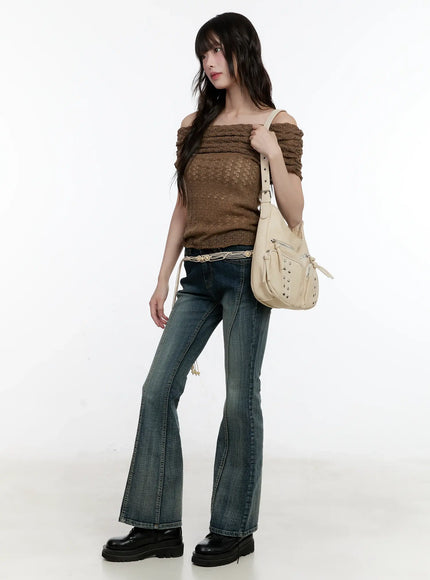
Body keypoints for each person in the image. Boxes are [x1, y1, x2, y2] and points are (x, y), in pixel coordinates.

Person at [101, 11, 304, 568]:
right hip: (197, 276)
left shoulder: (277, 123)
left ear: (243, 52)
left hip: (246, 274)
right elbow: (183, 207)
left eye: (218, 50)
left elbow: (294, 211)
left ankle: (234, 529)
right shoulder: (193, 125)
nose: (210, 62)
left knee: (240, 398)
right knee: (157, 389)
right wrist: (162, 277)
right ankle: (157, 526)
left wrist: (272, 152)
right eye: (203, 53)